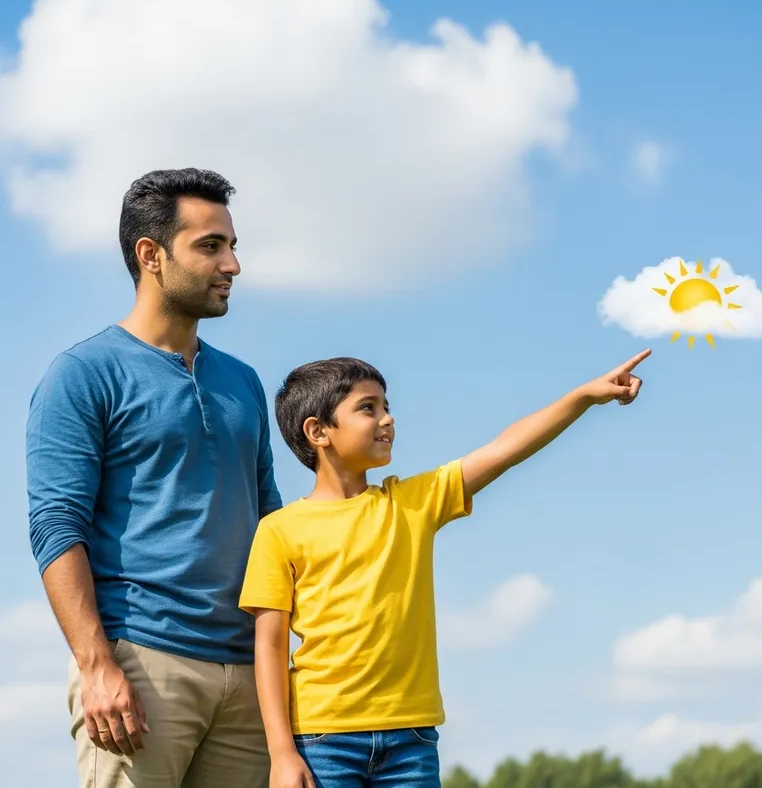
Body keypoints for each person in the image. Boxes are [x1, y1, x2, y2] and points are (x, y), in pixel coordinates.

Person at [239, 351, 650, 788]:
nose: (387, 419)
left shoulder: (412, 502)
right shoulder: (278, 530)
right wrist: (282, 754)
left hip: (411, 739)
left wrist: (583, 397)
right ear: (317, 431)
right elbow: (268, 648)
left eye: (387, 407)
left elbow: (504, 450)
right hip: (322, 740)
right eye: (368, 408)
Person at [27, 168, 282, 788]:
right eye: (210, 246)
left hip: (248, 676)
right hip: (140, 665)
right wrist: (96, 664)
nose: (232, 265)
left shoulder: (244, 382)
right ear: (151, 255)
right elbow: (57, 525)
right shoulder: (83, 373)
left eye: (233, 245)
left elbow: (273, 523)